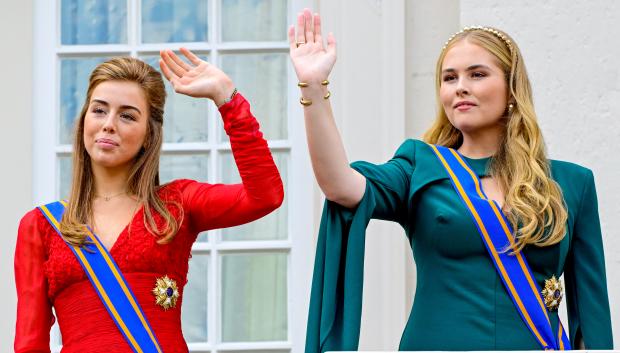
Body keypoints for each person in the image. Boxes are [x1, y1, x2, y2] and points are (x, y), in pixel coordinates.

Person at [289, 9, 613, 352]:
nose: (461, 88)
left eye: (477, 74)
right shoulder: (420, 166)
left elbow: (591, 321)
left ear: (511, 86)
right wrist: (313, 87)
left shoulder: (571, 183)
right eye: (449, 78)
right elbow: (341, 184)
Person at [14, 50, 284, 352]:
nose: (109, 124)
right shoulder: (41, 226)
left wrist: (227, 99)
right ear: (83, 121)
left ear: (148, 135)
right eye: (99, 110)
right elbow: (29, 343)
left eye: (127, 115)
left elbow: (265, 195)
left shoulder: (177, 204)